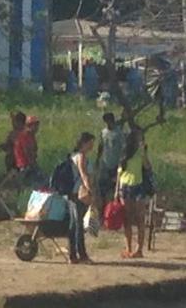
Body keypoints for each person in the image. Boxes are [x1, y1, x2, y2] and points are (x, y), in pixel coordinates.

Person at [116, 133, 154, 259]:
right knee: (127, 219)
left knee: (139, 219)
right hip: (125, 186)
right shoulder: (124, 155)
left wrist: (143, 153)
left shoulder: (140, 153)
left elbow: (148, 167)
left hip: (138, 185)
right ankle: (128, 248)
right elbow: (119, 174)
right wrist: (117, 191)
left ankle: (139, 249)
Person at [68, 132, 96, 264]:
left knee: (74, 224)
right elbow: (84, 174)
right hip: (80, 193)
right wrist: (90, 190)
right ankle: (82, 254)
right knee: (79, 224)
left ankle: (72, 254)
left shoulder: (74, 156)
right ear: (84, 143)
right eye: (90, 142)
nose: (92, 145)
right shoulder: (81, 157)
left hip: (73, 192)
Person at [96, 112, 126, 211]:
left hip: (115, 164)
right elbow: (101, 146)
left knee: (114, 189)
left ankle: (113, 210)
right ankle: (103, 210)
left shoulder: (119, 133)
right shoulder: (103, 132)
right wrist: (98, 159)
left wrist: (121, 164)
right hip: (105, 164)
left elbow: (123, 149)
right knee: (102, 188)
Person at [14, 115, 46, 187]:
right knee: (40, 183)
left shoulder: (31, 136)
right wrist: (33, 164)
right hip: (25, 166)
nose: (37, 128)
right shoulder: (24, 136)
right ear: (30, 126)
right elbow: (27, 152)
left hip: (30, 165)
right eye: (36, 126)